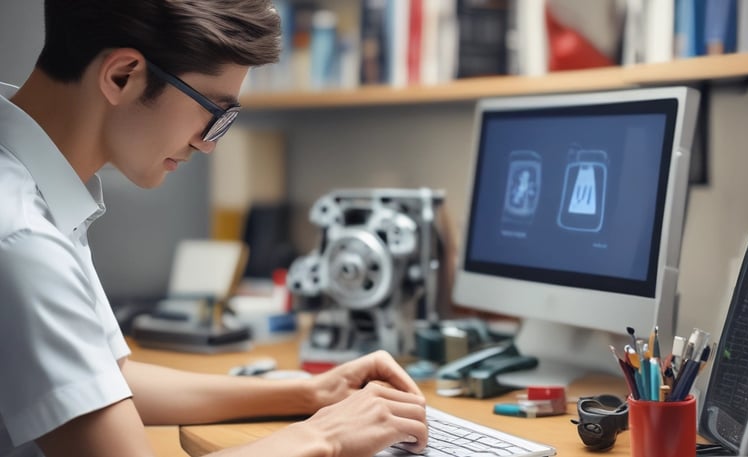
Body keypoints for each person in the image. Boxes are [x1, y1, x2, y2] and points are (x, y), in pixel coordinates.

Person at [0, 1, 428, 456]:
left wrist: (310, 394)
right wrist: (326, 436)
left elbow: (104, 382)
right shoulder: (22, 237)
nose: (207, 145)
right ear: (123, 75)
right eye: (215, 112)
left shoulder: (32, 186)